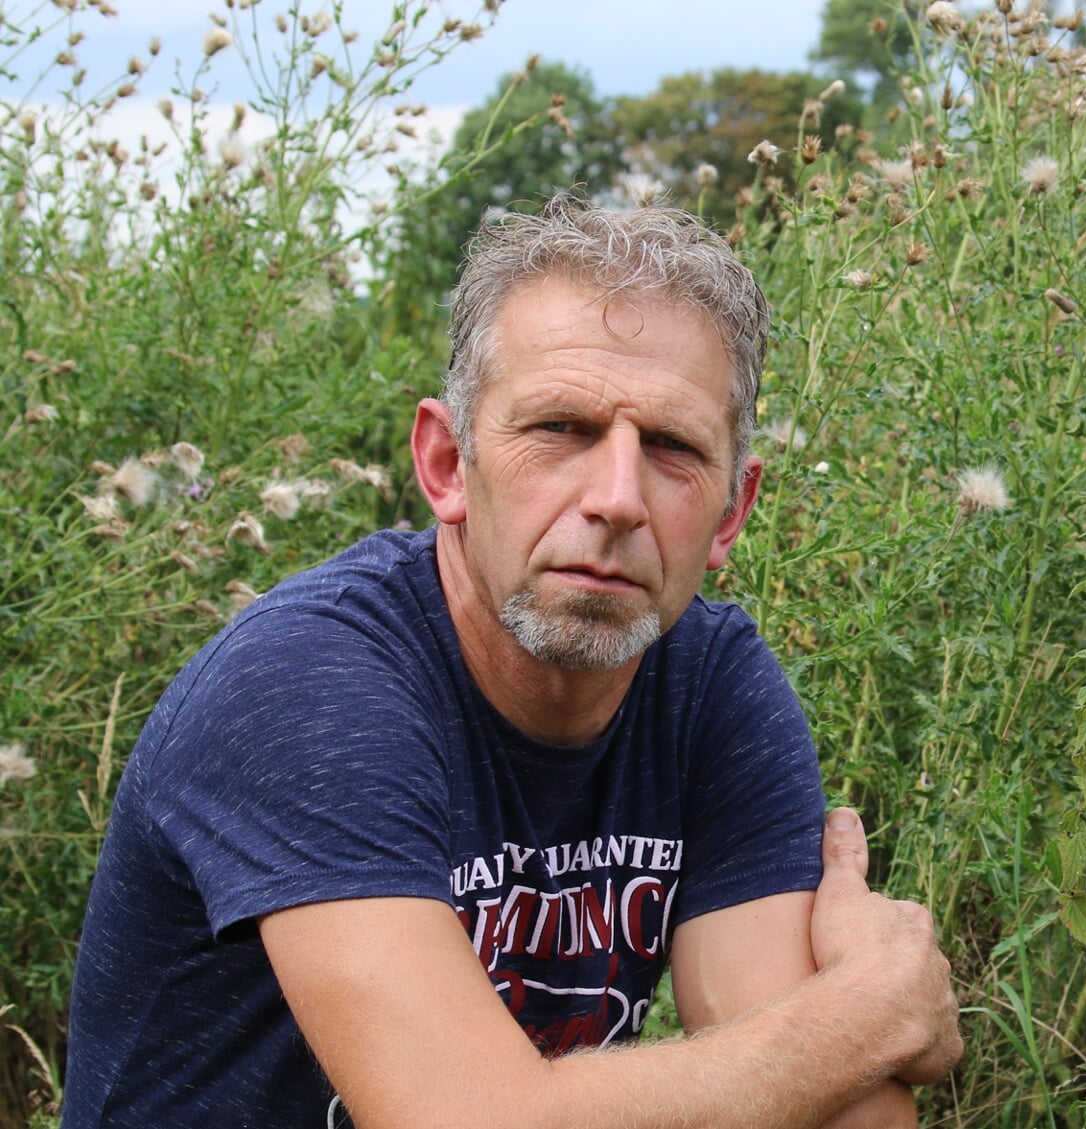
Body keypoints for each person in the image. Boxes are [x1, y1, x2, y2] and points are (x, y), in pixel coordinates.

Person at [63, 197, 962, 1127]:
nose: (617, 498)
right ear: (448, 463)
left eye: (672, 448)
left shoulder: (710, 685)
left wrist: (836, 1041)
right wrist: (868, 1008)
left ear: (731, 511)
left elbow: (842, 1112)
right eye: (559, 429)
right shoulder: (310, 683)